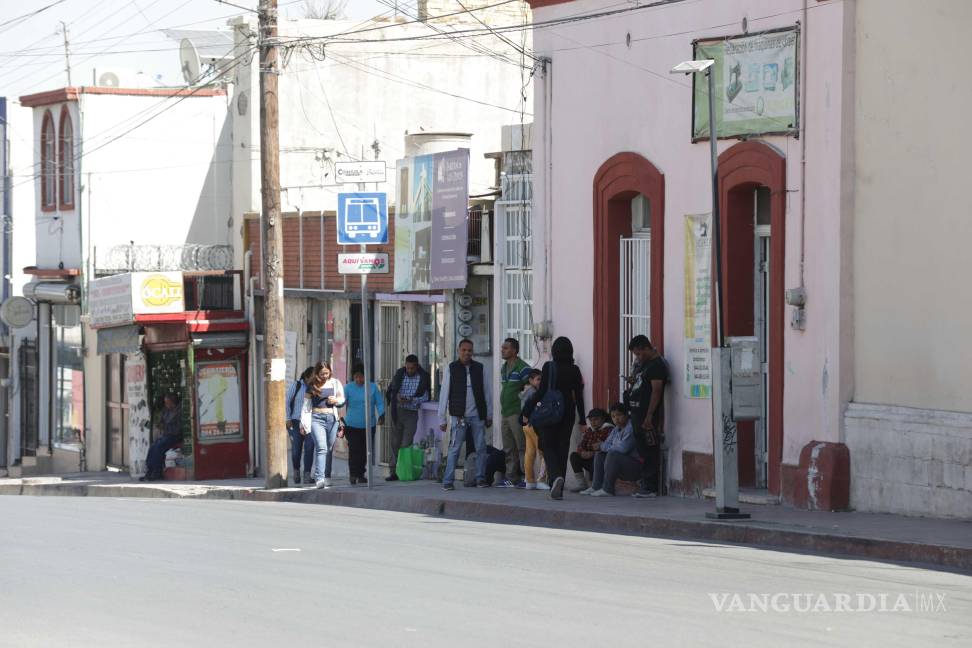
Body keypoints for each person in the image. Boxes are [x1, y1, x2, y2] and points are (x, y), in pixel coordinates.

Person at [533, 336, 586, 500]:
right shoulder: (575, 370)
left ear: (554, 351)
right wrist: (582, 419)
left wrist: (529, 409)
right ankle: (559, 485)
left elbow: (541, 392)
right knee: (563, 447)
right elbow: (579, 396)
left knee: (547, 445)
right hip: (568, 412)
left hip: (550, 411)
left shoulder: (549, 367)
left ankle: (555, 477)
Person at [438, 339, 493, 491]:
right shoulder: (452, 368)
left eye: (469, 350)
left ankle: (481, 478)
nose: (467, 353)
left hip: (477, 415)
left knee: (481, 447)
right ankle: (448, 480)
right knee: (454, 448)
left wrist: (489, 414)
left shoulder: (479, 368)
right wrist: (441, 418)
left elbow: (487, 392)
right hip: (458, 416)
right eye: (464, 350)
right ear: (458, 350)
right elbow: (444, 394)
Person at [625, 335, 670, 498]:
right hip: (637, 415)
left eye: (638, 354)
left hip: (647, 419)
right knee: (643, 451)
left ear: (646, 348)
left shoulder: (657, 366)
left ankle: (650, 487)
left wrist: (649, 416)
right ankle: (644, 484)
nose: (637, 357)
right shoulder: (644, 365)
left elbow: (656, 391)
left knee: (650, 451)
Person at [384, 354, 431, 481]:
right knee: (395, 442)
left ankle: (403, 470)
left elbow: (426, 396)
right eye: (408, 367)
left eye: (412, 368)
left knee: (406, 443)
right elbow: (392, 390)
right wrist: (397, 396)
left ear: (417, 366)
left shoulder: (423, 377)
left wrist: (412, 400)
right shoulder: (400, 374)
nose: (409, 370)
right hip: (397, 411)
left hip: (411, 412)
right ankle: (393, 472)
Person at [581, 403, 643, 497]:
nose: (616, 419)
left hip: (636, 466)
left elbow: (623, 449)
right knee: (600, 454)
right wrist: (603, 447)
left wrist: (603, 446)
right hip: (621, 465)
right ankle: (596, 486)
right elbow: (606, 443)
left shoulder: (631, 428)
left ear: (626, 415)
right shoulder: (616, 429)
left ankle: (608, 489)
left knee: (612, 454)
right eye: (613, 416)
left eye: (619, 415)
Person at [301, 362, 345, 489]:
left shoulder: (335, 383)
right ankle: (319, 478)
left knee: (329, 449)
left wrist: (336, 401)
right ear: (317, 373)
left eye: (327, 373)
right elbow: (306, 405)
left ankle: (327, 476)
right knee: (321, 448)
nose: (325, 376)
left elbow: (342, 399)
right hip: (316, 418)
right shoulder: (311, 385)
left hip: (332, 418)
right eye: (322, 373)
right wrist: (304, 423)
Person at [496, 338, 531, 488]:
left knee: (521, 446)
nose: (502, 350)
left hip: (517, 413)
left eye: (506, 348)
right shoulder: (504, 368)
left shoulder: (522, 368)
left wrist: (525, 410)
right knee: (509, 447)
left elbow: (530, 389)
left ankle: (526, 476)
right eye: (502, 347)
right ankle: (511, 477)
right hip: (505, 412)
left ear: (514, 351)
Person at [344, 363, 385, 485]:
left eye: (361, 377)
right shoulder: (348, 388)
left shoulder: (372, 388)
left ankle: (361, 474)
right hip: (351, 425)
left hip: (368, 425)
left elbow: (380, 403)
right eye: (356, 377)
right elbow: (341, 401)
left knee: (364, 451)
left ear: (366, 376)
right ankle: (353, 474)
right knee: (354, 450)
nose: (358, 380)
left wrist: (382, 415)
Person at [568, 408, 613, 492]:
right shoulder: (589, 431)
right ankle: (582, 484)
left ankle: (596, 485)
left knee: (597, 457)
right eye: (591, 420)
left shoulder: (608, 430)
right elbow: (581, 445)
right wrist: (582, 453)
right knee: (574, 456)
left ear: (603, 419)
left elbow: (608, 447)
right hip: (589, 459)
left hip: (603, 462)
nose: (593, 422)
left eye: (596, 419)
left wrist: (593, 453)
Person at [140, 393, 182, 482]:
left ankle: (157, 472)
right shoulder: (166, 411)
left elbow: (177, 429)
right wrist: (160, 425)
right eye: (165, 403)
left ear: (172, 402)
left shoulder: (179, 411)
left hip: (174, 436)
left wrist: (165, 427)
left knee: (159, 447)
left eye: (167, 402)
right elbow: (161, 422)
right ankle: (150, 470)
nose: (166, 404)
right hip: (166, 435)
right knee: (153, 447)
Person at [519, 369, 549, 491]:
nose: (540, 382)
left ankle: (529, 480)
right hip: (534, 425)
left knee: (530, 453)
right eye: (538, 379)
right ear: (531, 380)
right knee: (543, 452)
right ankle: (541, 480)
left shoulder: (526, 391)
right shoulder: (533, 393)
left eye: (542, 379)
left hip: (526, 426)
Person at [286, 366, 316, 485]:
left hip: (310, 422)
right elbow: (287, 401)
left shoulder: (316, 388)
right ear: (307, 376)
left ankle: (307, 475)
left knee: (309, 448)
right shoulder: (297, 385)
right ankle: (296, 471)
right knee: (296, 449)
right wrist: (287, 418)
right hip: (295, 421)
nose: (315, 380)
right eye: (313, 377)